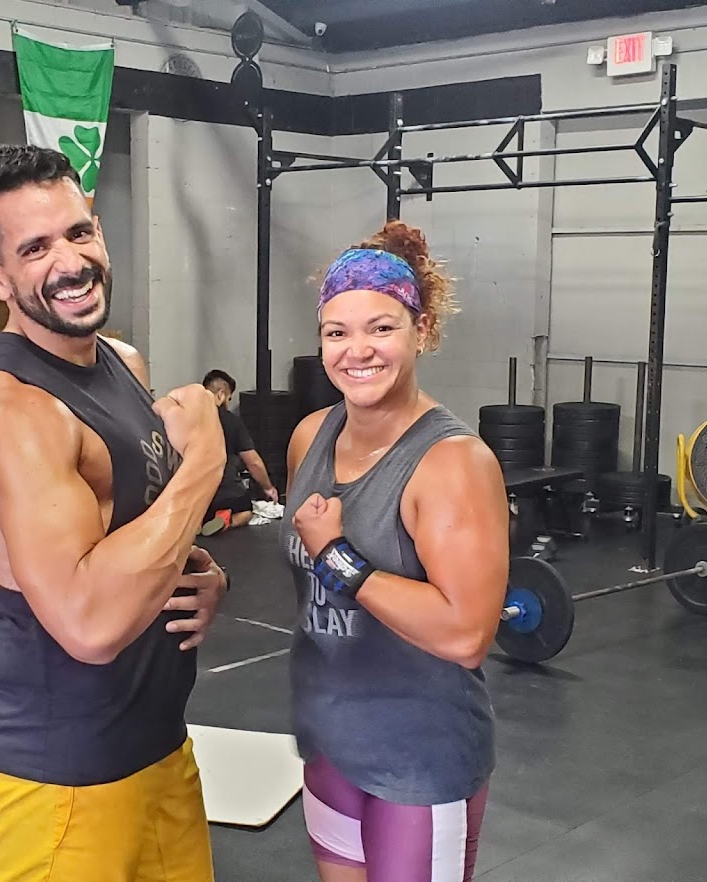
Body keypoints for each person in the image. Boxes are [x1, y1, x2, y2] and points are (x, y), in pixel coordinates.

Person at [0, 144, 229, 882]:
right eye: (35, 248)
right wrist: (207, 461)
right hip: (60, 778)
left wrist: (199, 574)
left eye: (78, 232)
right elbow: (90, 624)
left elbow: (137, 531)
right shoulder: (4, 407)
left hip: (159, 748)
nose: (69, 263)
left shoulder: (122, 362)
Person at [281, 221, 509, 882]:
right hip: (330, 742)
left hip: (419, 757)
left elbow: (465, 635)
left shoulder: (452, 463)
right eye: (337, 333)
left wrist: (338, 556)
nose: (357, 351)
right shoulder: (310, 437)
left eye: (381, 328)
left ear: (421, 329)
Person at [199, 368, 279, 535]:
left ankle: (196, 522)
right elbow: (253, 462)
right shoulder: (231, 421)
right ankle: (227, 520)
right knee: (246, 511)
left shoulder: (185, 418)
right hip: (225, 494)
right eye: (229, 398)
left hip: (195, 497)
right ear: (221, 395)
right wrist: (268, 487)